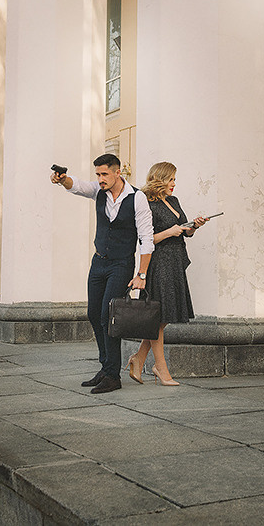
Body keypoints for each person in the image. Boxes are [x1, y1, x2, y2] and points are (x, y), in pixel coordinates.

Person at [51, 154, 154, 394]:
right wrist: (62, 179)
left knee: (109, 316)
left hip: (120, 264)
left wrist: (142, 274)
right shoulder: (99, 191)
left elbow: (147, 239)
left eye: (104, 174)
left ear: (119, 173)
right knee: (93, 314)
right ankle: (105, 367)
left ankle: (113, 375)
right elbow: (76, 186)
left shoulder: (137, 198)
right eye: (97, 174)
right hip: (98, 263)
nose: (100, 179)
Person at [126, 162, 207, 386]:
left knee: (161, 317)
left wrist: (194, 226)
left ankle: (139, 359)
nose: (174, 183)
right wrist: (170, 232)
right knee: (159, 316)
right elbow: (145, 239)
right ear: (160, 178)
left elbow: (185, 230)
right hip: (157, 263)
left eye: (174, 179)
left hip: (174, 262)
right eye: (171, 179)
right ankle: (161, 369)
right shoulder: (145, 201)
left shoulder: (173, 201)